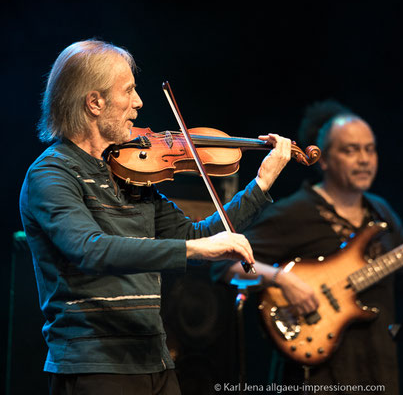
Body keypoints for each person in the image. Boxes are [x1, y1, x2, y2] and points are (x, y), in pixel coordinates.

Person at [19, 39, 293, 394]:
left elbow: (194, 236)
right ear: (94, 102)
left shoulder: (129, 174)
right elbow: (91, 250)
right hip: (94, 365)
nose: (139, 103)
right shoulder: (51, 175)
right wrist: (198, 250)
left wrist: (261, 185)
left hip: (156, 360)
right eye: (129, 91)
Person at [216, 100, 403, 394]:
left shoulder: (382, 212)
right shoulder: (294, 212)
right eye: (350, 150)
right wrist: (281, 278)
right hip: (315, 374)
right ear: (324, 159)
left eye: (369, 149)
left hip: (378, 369)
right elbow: (226, 263)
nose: (364, 159)